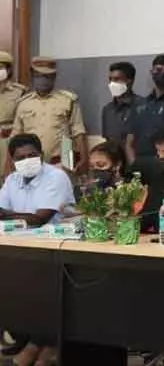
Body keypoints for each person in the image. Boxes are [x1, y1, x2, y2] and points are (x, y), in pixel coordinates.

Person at [0, 134, 73, 365]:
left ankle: (45, 343)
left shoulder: (56, 176)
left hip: (57, 248)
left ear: (41, 155)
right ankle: (27, 336)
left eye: (32, 155)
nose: (27, 160)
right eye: (21, 157)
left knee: (42, 288)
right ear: (12, 160)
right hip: (22, 247)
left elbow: (41, 218)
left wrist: (7, 214)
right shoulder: (12, 180)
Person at [12, 57, 87, 174]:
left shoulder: (68, 100)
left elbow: (78, 132)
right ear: (32, 76)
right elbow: (15, 136)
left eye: (48, 76)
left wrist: (84, 159)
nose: (43, 80)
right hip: (30, 162)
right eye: (39, 76)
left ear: (54, 77)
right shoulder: (23, 103)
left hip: (62, 161)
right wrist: (9, 165)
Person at [101, 61, 142, 145]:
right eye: (110, 79)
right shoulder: (107, 110)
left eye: (116, 79)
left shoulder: (143, 106)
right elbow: (108, 140)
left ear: (129, 81)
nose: (112, 84)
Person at [0, 51, 27, 165]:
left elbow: (23, 121)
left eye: (0, 67)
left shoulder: (19, 91)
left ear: (9, 70)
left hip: (7, 141)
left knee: (8, 176)